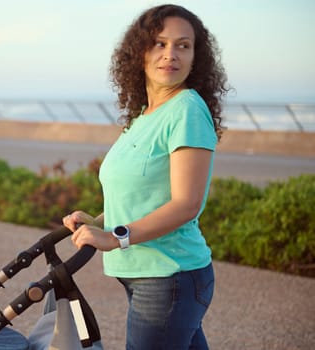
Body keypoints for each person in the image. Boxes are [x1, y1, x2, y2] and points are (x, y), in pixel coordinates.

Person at [62, 4, 229, 349]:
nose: (171, 54)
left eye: (183, 45)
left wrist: (117, 238)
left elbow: (186, 204)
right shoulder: (144, 115)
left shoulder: (186, 109)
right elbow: (146, 198)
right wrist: (99, 222)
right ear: (139, 52)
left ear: (196, 56)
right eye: (159, 43)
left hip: (170, 276)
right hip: (149, 275)